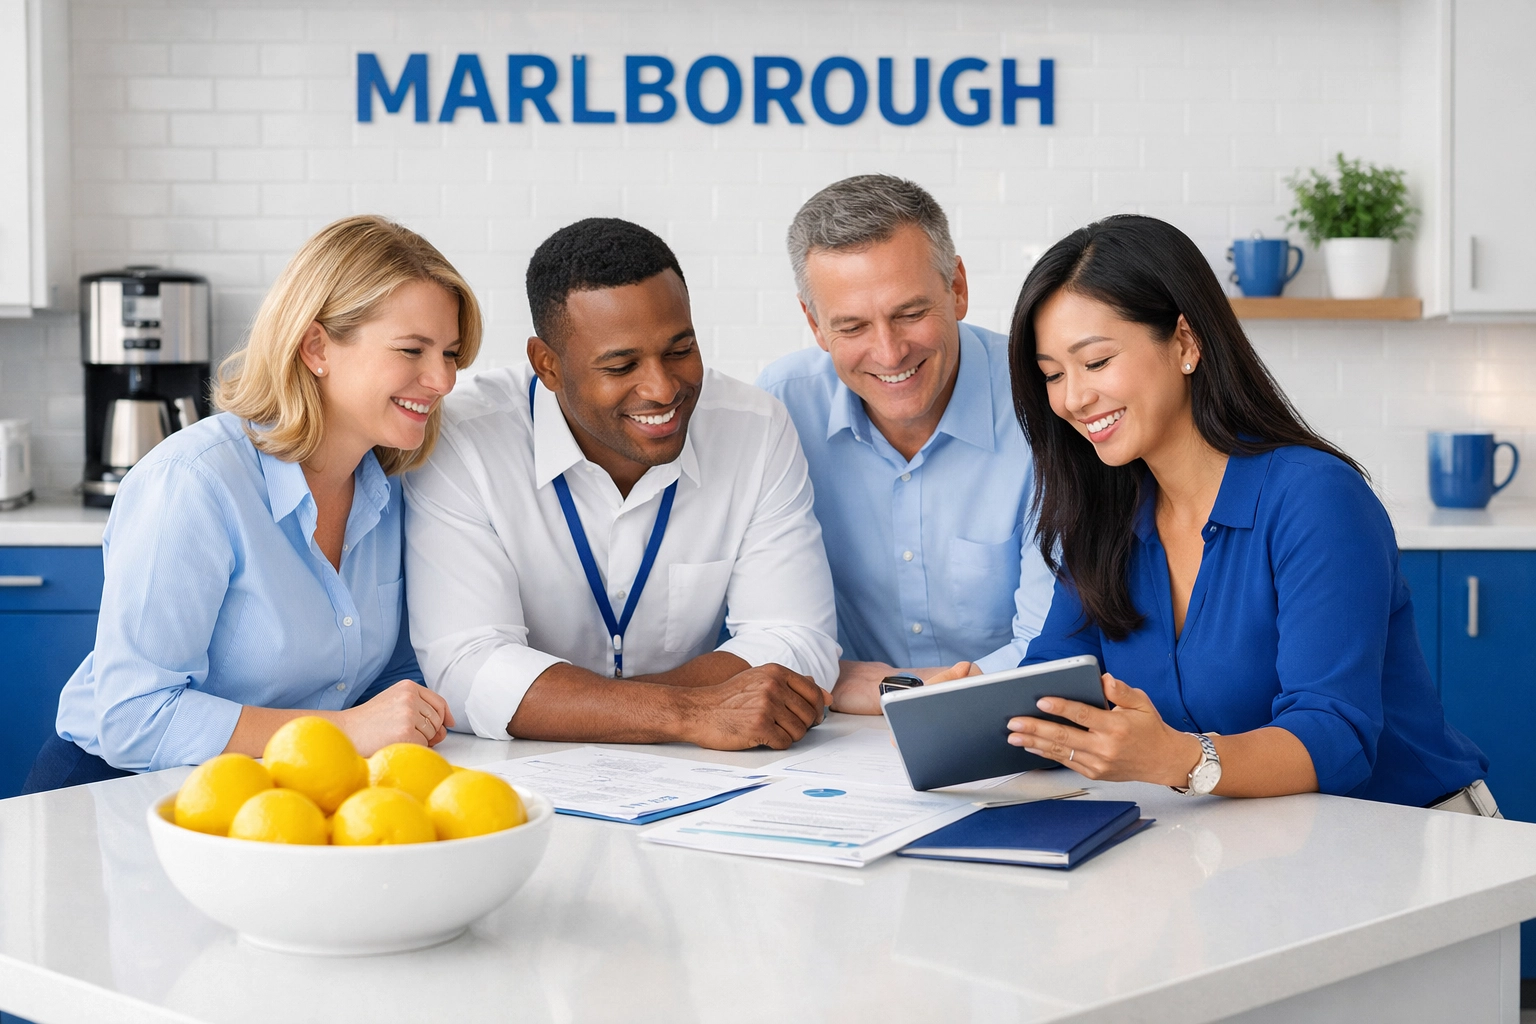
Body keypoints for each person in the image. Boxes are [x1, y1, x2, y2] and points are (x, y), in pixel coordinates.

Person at [972, 214, 1492, 811]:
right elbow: (1050, 695)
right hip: (1265, 854)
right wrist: (948, 711)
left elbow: (1335, 737)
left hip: (1416, 843)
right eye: (1051, 375)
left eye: (1095, 362)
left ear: (1186, 343)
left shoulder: (1315, 498)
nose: (1071, 398)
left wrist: (1175, 758)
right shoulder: (1108, 520)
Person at [27, 215, 475, 791]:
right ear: (316, 346)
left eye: (452, 354)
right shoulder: (194, 482)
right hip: (114, 791)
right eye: (412, 349)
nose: (441, 380)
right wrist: (340, 732)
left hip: (274, 794)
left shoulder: (393, 488)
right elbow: (134, 717)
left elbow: (387, 684)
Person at [404, 217, 837, 750]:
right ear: (548, 366)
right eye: (621, 365)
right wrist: (685, 712)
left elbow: (798, 641)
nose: (662, 388)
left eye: (680, 350)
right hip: (523, 781)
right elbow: (467, 669)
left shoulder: (755, 427)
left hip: (706, 775)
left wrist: (586, 707)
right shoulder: (464, 443)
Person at [756, 174, 1055, 715]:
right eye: (852, 327)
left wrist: (881, 690)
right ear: (814, 324)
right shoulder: (779, 412)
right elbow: (760, 638)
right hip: (824, 745)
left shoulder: (1048, 406)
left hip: (1012, 732)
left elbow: (1048, 656)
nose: (889, 353)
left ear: (957, 287)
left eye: (910, 314)